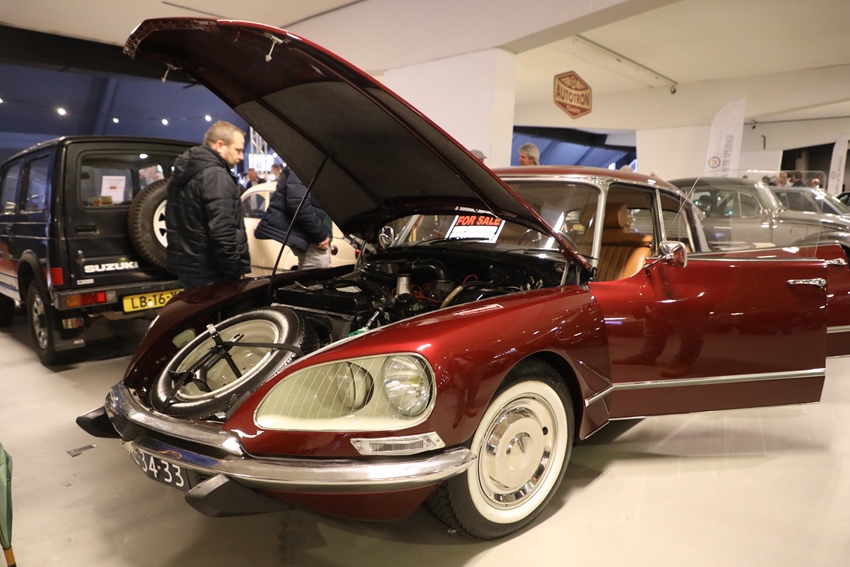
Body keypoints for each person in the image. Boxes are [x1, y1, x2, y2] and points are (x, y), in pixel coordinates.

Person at [165, 120, 250, 290]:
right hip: (212, 270)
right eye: (238, 150)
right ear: (220, 145)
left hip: (187, 267)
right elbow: (222, 230)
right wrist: (235, 272)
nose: (241, 157)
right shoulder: (216, 176)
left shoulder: (184, 172)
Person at [254, 166, 332, 270]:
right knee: (316, 278)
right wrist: (321, 235)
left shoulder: (311, 164)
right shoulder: (305, 164)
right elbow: (299, 205)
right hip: (313, 241)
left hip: (316, 240)